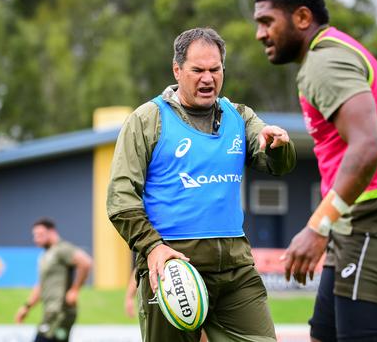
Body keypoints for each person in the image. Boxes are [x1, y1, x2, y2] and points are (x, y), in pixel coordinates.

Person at [253, 0, 377, 341]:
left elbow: (369, 146)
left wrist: (317, 226)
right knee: (324, 334)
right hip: (356, 225)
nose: (260, 33)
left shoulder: (324, 61)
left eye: (267, 21)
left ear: (302, 17)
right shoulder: (328, 54)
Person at [107, 27, 296, 342]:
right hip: (172, 267)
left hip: (236, 268)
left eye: (215, 69)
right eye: (198, 70)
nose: (208, 78)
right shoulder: (147, 120)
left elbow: (274, 163)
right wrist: (152, 247)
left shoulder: (240, 117)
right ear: (177, 70)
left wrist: (279, 147)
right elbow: (120, 198)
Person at [15, 218, 93, 342]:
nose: (36, 239)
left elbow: (86, 262)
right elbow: (41, 285)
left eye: (40, 234)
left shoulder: (62, 248)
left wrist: (75, 290)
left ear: (52, 232)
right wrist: (27, 307)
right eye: (34, 235)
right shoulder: (45, 255)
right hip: (50, 313)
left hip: (61, 312)